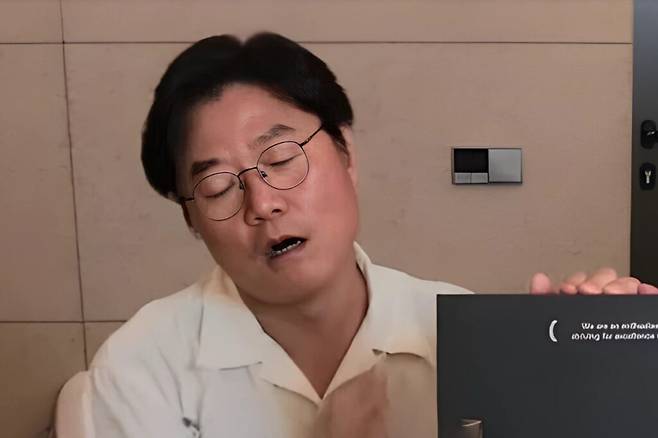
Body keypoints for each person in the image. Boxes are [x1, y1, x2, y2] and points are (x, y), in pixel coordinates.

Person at [88, 33, 657, 438]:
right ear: (191, 220)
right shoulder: (142, 370)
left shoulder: (457, 335)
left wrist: (592, 380)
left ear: (347, 154)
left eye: (281, 159)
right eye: (216, 187)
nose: (262, 204)